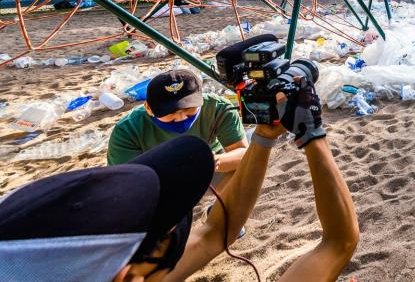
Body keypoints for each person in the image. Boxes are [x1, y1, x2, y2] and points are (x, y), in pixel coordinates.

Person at [0, 65, 358, 282]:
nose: (179, 223)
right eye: (164, 225)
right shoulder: (127, 130)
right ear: (127, 276)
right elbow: (337, 243)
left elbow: (215, 231)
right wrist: (312, 134)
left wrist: (264, 137)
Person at [108, 69, 247, 190]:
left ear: (201, 101)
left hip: (210, 166)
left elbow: (243, 155)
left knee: (244, 179)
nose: (181, 118)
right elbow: (125, 182)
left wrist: (212, 161)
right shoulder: (127, 130)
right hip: (157, 180)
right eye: (170, 113)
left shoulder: (218, 108)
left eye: (189, 109)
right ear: (148, 109)